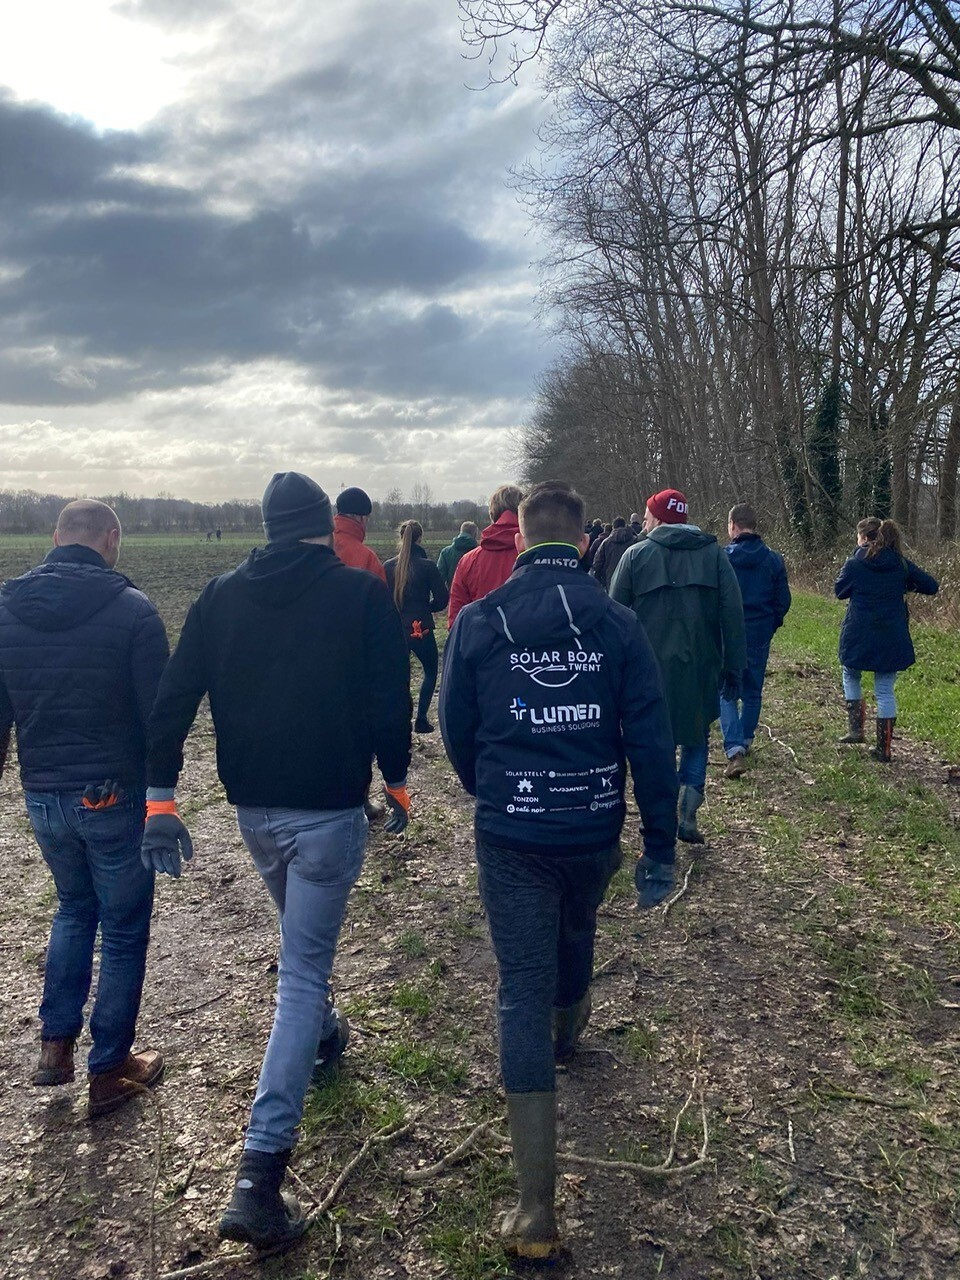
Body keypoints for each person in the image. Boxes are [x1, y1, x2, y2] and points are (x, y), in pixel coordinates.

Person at [143, 472, 412, 1252]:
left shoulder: (218, 596)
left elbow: (172, 699)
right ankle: (259, 1176)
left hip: (252, 810)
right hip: (328, 809)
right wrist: (395, 781)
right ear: (325, 526)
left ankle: (325, 1031)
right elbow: (387, 699)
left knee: (300, 946)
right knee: (299, 971)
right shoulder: (361, 598)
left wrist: (161, 798)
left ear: (264, 526)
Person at [440, 481, 677, 1262]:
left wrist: (494, 790)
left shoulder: (479, 620)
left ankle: (535, 1209)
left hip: (513, 828)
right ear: (580, 543)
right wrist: (660, 842)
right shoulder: (616, 622)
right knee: (579, 924)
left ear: (519, 533)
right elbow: (650, 737)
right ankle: (569, 1029)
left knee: (520, 987)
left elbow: (456, 728)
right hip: (592, 823)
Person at [0, 500, 169, 1117]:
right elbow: (160, 720)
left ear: (55, 536)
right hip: (111, 795)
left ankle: (54, 1045)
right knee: (123, 928)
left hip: (43, 794)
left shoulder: (4, 610)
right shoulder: (132, 612)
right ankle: (109, 1067)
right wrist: (163, 798)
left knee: (73, 908)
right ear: (111, 538)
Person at [610, 489, 745, 844]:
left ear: (656, 518)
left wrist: (611, 672)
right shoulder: (715, 556)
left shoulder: (635, 556)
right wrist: (735, 666)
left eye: (648, 514)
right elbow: (733, 614)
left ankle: (660, 818)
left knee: (656, 747)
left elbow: (613, 617)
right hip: (701, 667)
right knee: (696, 737)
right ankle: (687, 810)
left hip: (646, 673)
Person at [835, 517, 938, 762]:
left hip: (858, 633)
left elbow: (840, 591)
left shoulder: (854, 563)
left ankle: (856, 730)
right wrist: (903, 585)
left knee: (850, 673)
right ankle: (885, 749)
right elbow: (931, 586)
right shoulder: (901, 564)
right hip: (891, 636)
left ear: (864, 538)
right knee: (884, 690)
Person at [719, 503, 791, 777]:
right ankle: (745, 740)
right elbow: (783, 600)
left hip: (729, 633)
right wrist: (771, 623)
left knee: (726, 691)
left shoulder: (722, 558)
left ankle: (734, 748)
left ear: (733, 526)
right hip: (759, 631)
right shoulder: (773, 559)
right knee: (752, 690)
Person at [385, 521, 449, 734]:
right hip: (422, 628)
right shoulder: (427, 566)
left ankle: (399, 719)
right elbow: (442, 598)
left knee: (398, 675)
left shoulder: (388, 567)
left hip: (397, 628)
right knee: (430, 671)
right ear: (420, 539)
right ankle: (421, 719)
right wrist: (427, 608)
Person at [447, 484, 524, 628]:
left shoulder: (469, 560)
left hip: (481, 643)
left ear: (492, 514)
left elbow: (456, 619)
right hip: (527, 646)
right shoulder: (537, 554)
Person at [333, 486, 387, 582]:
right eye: (367, 518)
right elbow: (380, 595)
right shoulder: (368, 559)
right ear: (361, 518)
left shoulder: (318, 545)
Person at [591, 516, 636, 589]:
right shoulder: (634, 540)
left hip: (610, 579)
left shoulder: (606, 542)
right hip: (631, 580)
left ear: (613, 527)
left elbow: (597, 563)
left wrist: (599, 580)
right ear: (625, 525)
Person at [437, 521, 479, 588]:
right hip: (475, 596)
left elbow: (439, 580)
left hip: (453, 594)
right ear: (474, 534)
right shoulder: (479, 552)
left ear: (461, 532)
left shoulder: (446, 552)